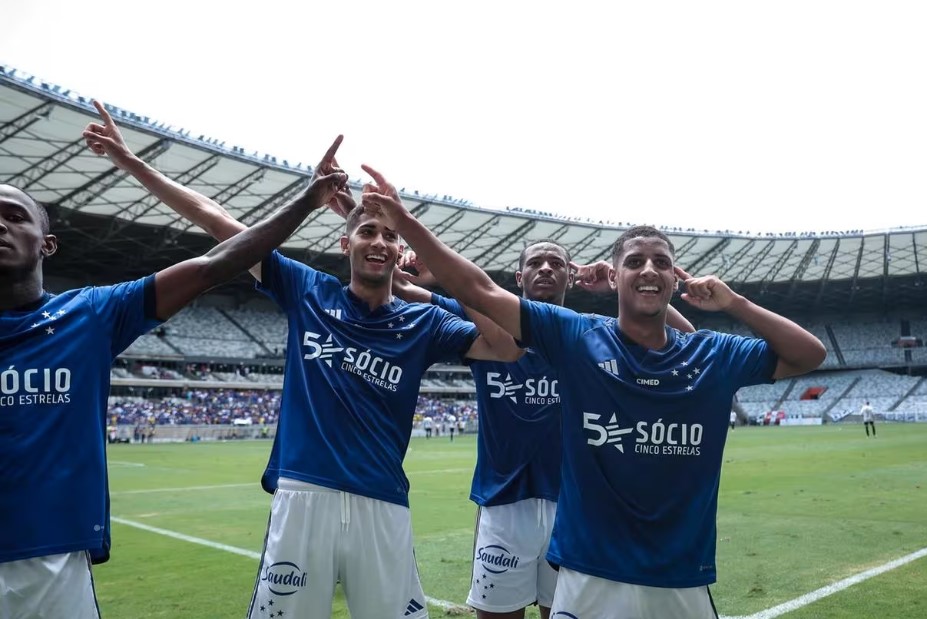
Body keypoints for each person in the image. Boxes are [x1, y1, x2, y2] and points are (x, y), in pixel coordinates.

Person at [88, 114, 522, 619]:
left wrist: (435, 265)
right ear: (346, 243)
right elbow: (216, 221)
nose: (378, 242)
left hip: (383, 502)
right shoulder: (307, 290)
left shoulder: (424, 322)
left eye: (389, 235)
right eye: (366, 231)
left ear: (401, 249)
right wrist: (130, 160)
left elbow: (507, 347)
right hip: (302, 495)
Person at [358, 165, 827, 619]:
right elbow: (476, 291)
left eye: (662, 263)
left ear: (674, 276)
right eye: (635, 263)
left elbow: (807, 353)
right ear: (614, 276)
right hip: (569, 549)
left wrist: (734, 302)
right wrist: (403, 225)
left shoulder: (700, 352)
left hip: (672, 569)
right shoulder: (577, 336)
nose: (649, 270)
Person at [0, 102, 349, 619]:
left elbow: (214, 264)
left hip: (50, 559)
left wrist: (305, 200)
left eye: (13, 216)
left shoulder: (90, 313)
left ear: (47, 244)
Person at [394, 244, 695, 619]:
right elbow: (405, 290)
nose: (546, 269)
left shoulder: (593, 331)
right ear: (519, 278)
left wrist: (622, 287)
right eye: (535, 263)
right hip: (503, 502)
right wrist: (403, 263)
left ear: (571, 275)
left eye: (556, 263)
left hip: (573, 507)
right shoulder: (484, 319)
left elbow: (687, 341)